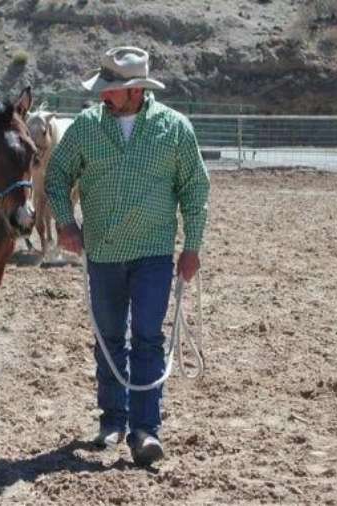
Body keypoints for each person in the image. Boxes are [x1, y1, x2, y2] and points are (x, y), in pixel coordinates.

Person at [45, 47, 209, 465]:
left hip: (154, 254)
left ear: (135, 91)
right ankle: (112, 420)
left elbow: (195, 190)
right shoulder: (85, 127)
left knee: (148, 339)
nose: (103, 96)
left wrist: (192, 246)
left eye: (112, 90)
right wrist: (65, 223)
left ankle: (145, 430)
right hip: (101, 254)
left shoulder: (174, 129)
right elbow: (58, 173)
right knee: (109, 339)